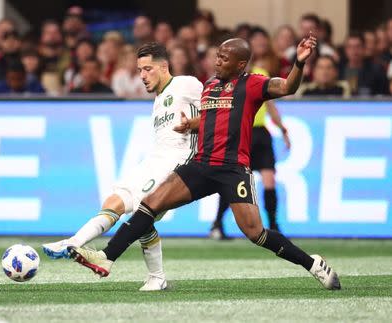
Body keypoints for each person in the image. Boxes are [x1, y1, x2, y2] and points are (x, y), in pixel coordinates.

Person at [68, 34, 342, 291]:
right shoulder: (210, 85)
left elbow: (287, 86)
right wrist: (191, 123)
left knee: (255, 233)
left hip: (232, 169)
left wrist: (299, 62)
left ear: (241, 64)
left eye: (224, 58)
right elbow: (212, 116)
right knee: (150, 203)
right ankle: (107, 257)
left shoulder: (253, 84)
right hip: (201, 164)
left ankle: (312, 264)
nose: (217, 61)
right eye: (217, 55)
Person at [43, 42, 203, 291]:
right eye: (140, 70)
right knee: (119, 200)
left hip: (179, 161)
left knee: (137, 210)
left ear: (164, 66)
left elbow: (217, 116)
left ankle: (76, 243)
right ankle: (154, 277)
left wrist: (193, 123)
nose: (142, 76)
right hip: (155, 159)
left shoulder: (187, 84)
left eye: (148, 69)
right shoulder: (158, 99)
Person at [210, 65, 290, 240]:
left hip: (260, 134)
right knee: (231, 180)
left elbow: (269, 104)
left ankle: (273, 225)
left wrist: (282, 128)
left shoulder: (260, 73)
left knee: (269, 180)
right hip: (240, 133)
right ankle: (217, 223)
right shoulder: (226, 79)